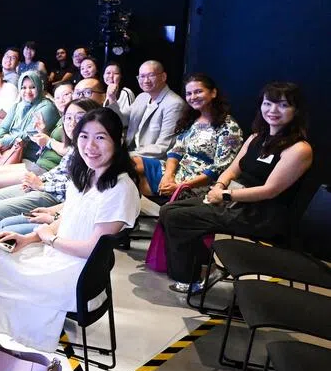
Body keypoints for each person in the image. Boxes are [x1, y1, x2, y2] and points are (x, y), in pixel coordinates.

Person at [0, 107, 140, 360]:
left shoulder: (120, 188)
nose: (90, 145)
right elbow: (70, 217)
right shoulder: (89, 173)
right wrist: (29, 239)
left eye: (101, 137)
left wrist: (49, 239)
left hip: (72, 275)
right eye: (84, 136)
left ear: (117, 141)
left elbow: (91, 248)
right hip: (57, 256)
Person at [159, 82, 312, 293]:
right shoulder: (257, 137)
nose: (273, 111)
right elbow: (233, 169)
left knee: (178, 218)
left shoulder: (299, 149)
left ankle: (192, 277)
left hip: (262, 214)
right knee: (169, 210)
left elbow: (270, 190)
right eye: (268, 104)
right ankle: (202, 269)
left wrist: (225, 194)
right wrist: (220, 185)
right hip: (235, 201)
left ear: (296, 110)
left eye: (283, 105)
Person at [0, 98, 100, 235]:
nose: (72, 123)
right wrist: (37, 182)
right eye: (68, 118)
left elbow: (78, 189)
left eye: (79, 118)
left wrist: (42, 185)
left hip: (56, 194)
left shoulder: (90, 150)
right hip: (47, 178)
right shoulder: (75, 144)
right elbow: (60, 170)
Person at [140, 73, 243, 199]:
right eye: (189, 93)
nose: (193, 97)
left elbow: (219, 169)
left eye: (198, 92)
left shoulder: (229, 127)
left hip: (198, 182)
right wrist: (168, 175)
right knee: (132, 164)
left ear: (213, 93)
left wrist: (180, 186)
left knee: (134, 183)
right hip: (177, 171)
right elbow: (176, 151)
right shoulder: (192, 119)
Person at [115, 60, 189, 196]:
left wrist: (125, 154)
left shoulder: (174, 104)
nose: (145, 80)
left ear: (163, 76)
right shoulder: (142, 97)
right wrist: (111, 99)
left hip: (156, 157)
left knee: (116, 164)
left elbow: (163, 146)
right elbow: (122, 118)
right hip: (135, 153)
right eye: (141, 76)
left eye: (150, 75)